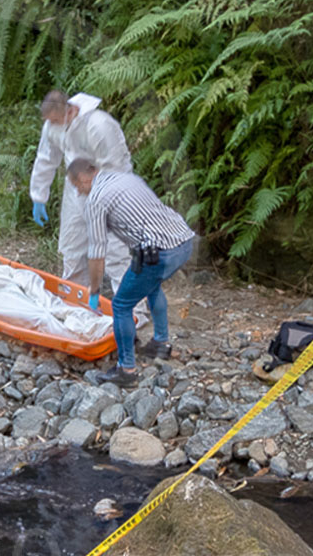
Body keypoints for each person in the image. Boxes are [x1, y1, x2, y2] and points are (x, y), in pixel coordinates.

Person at [69, 159, 195, 386]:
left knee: (121, 305)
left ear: (84, 178)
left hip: (159, 253)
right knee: (152, 285)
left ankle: (126, 370)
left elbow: (97, 253)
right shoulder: (127, 178)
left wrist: (95, 290)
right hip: (184, 242)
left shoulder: (96, 200)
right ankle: (161, 344)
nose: (79, 192)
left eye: (77, 187)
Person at [29, 91, 136, 292]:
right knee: (72, 245)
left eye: (55, 119)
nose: (51, 124)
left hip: (111, 190)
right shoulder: (52, 126)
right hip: (76, 189)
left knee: (115, 251)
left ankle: (132, 309)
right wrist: (38, 196)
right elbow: (46, 159)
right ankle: (74, 298)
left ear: (70, 111)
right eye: (49, 120)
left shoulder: (99, 125)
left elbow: (116, 165)